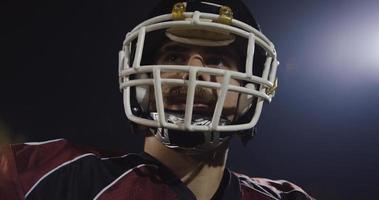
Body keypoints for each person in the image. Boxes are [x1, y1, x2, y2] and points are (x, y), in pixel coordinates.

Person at [0, 0, 315, 199]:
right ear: (140, 81)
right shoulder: (50, 176)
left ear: (251, 87)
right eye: (175, 55)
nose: (193, 74)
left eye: (217, 61)